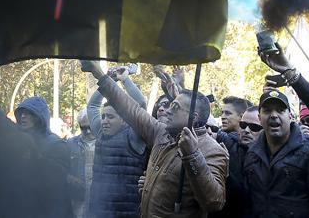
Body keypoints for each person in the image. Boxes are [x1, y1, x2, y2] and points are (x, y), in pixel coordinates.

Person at [84, 61, 227, 217]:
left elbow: (214, 201)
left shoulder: (213, 150)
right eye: (171, 104)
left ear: (193, 117)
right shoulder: (161, 132)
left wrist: (192, 155)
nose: (167, 111)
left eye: (175, 107)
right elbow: (130, 107)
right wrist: (97, 71)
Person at [0, 89, 74, 217]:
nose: (23, 116)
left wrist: (35, 156)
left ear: (39, 117)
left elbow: (55, 181)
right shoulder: (15, 136)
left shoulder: (56, 145)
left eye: (29, 113)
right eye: (21, 113)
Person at [240, 90, 309, 217]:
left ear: (290, 116)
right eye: (267, 111)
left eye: (280, 110)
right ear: (259, 118)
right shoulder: (252, 153)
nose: (274, 115)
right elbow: (249, 202)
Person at [86, 65, 148, 218]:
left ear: (125, 120)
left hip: (128, 212)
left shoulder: (134, 136)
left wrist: (125, 79)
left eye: (111, 117)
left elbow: (140, 104)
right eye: (103, 116)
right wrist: (106, 81)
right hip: (98, 210)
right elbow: (93, 105)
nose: (105, 121)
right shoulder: (100, 131)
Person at [71, 108, 99, 218]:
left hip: (98, 198)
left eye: (89, 127)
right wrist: (71, 179)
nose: (87, 131)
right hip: (78, 199)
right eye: (83, 128)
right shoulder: (71, 144)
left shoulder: (105, 143)